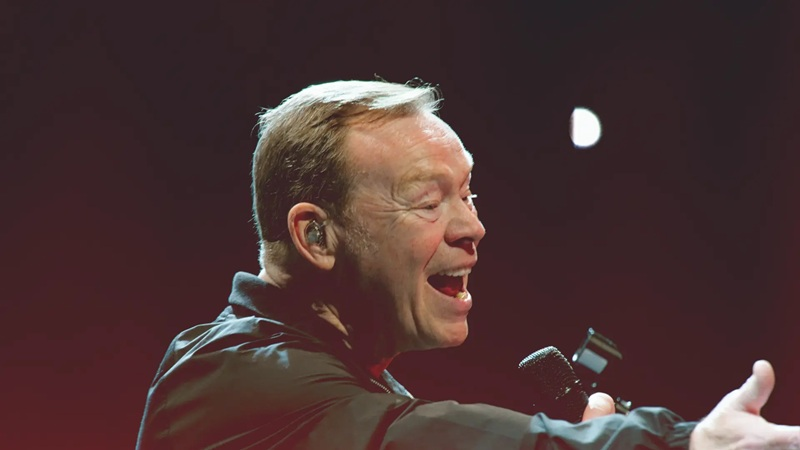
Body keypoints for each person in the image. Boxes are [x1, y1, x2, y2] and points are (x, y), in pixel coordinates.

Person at [136, 79, 799, 449]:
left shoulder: (347, 386)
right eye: (430, 201)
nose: (474, 227)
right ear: (317, 236)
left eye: (468, 193)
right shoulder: (235, 381)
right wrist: (680, 445)